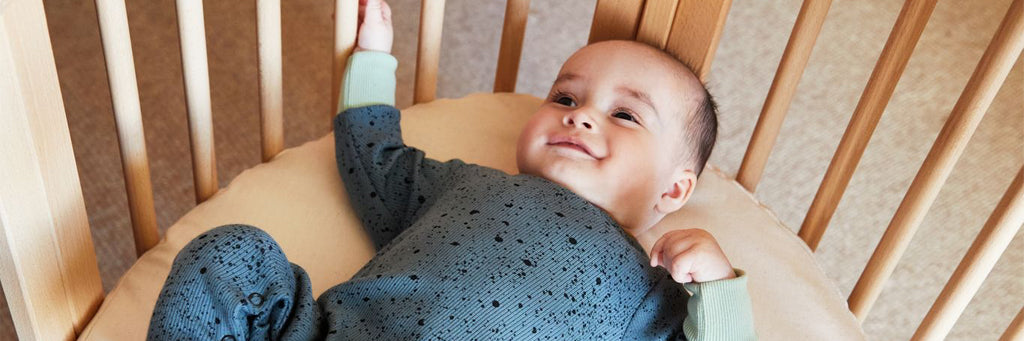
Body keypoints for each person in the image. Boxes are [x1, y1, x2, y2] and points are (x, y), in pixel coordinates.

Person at [147, 0, 755, 339]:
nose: (581, 118)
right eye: (565, 99)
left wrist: (719, 287)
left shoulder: (650, 292)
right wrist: (373, 63)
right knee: (233, 253)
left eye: (625, 115)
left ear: (673, 190)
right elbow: (374, 161)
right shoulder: (466, 186)